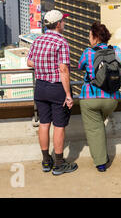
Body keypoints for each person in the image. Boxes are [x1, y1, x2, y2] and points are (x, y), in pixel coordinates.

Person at [27, 10, 78, 176]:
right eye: (63, 21)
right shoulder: (62, 42)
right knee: (59, 126)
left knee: (44, 123)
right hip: (56, 88)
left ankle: (45, 160)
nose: (64, 23)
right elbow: (63, 69)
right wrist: (68, 94)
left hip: (40, 87)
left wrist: (43, 66)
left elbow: (29, 62)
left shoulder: (38, 40)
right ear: (58, 24)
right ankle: (59, 163)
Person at [78, 22, 121, 172]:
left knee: (94, 129)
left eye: (90, 35)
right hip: (111, 99)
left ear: (95, 37)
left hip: (90, 97)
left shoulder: (88, 52)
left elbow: (80, 65)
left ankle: (101, 163)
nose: (89, 38)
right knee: (98, 125)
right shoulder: (115, 50)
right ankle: (102, 153)